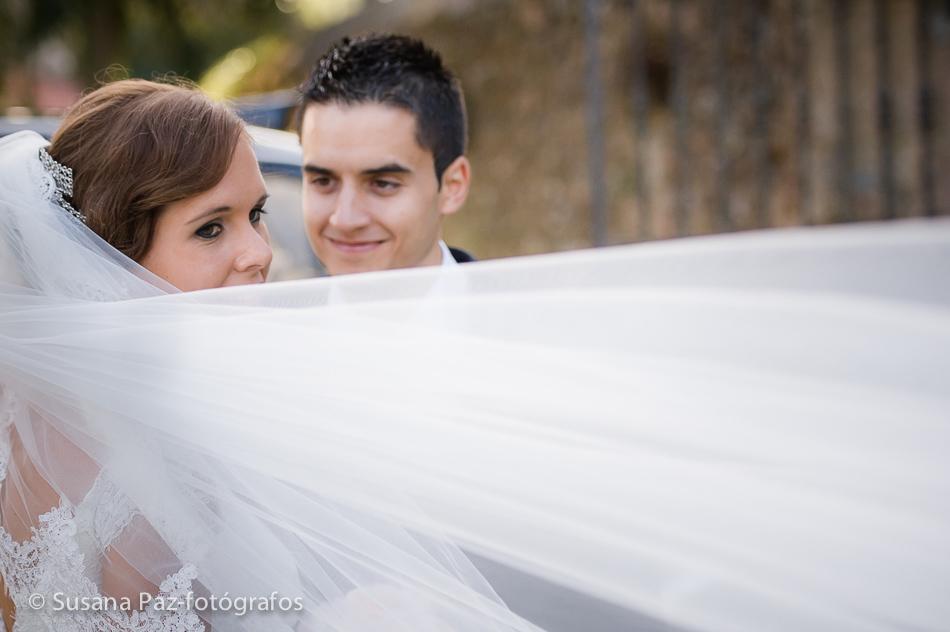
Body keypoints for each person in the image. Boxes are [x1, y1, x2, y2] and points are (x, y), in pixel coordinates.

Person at [2, 82, 950, 632]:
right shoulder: (63, 455)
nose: (260, 251)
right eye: (211, 228)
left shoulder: (214, 412)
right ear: (108, 253)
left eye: (254, 214)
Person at [297, 34, 476, 275]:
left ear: (453, 186)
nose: (345, 220)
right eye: (323, 181)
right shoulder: (277, 313)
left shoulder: (524, 310)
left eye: (383, 184)